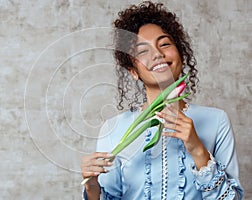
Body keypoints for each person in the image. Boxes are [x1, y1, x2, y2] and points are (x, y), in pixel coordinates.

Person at [81, 1, 244, 199]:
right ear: (133, 71)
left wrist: (197, 149)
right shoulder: (113, 128)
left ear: (181, 56)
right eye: (142, 51)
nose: (157, 54)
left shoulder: (216, 121)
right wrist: (91, 186)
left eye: (165, 44)